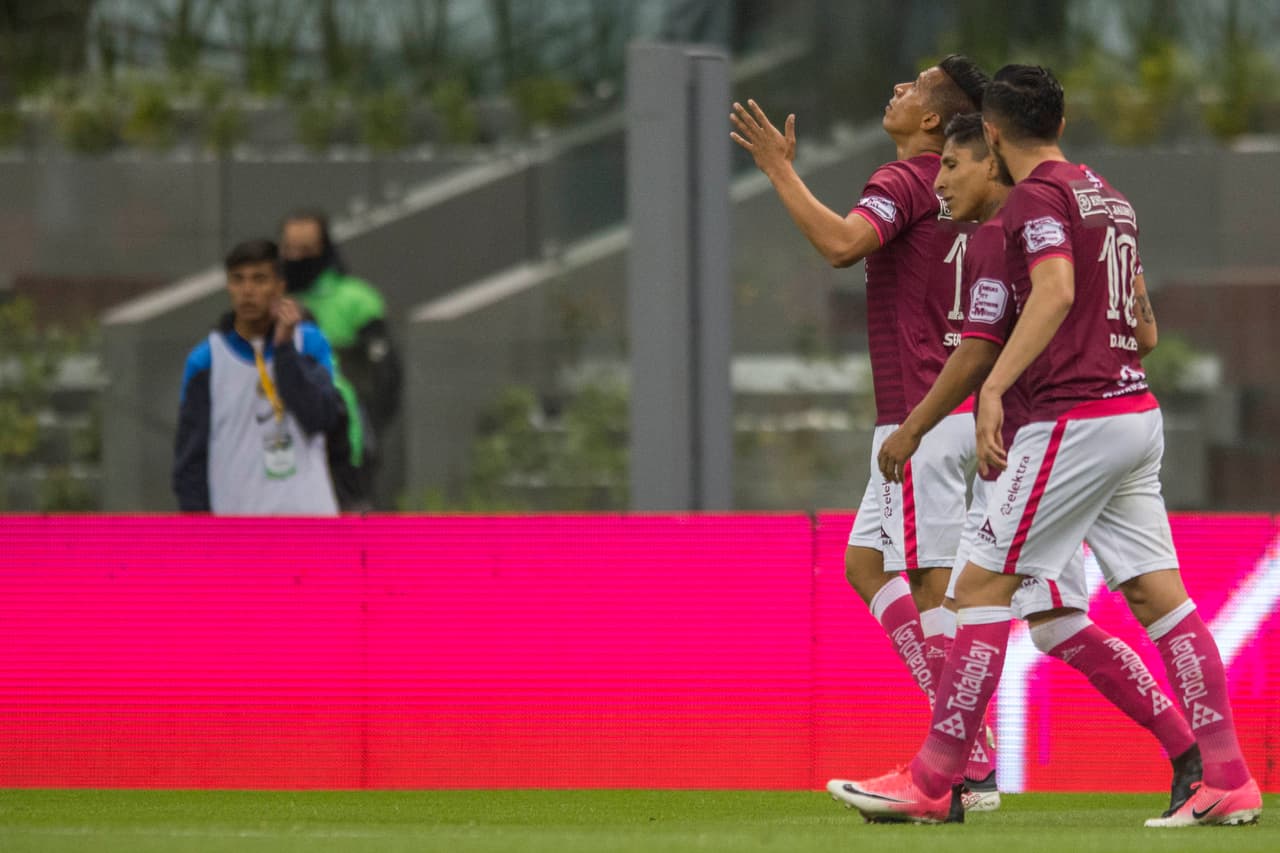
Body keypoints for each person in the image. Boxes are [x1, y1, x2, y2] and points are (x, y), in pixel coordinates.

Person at [836, 65, 1262, 828]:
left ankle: (938, 780)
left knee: (978, 590)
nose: (949, 177)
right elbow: (1146, 325)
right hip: (1135, 413)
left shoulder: (1034, 200)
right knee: (1154, 596)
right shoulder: (1106, 194)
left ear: (991, 136)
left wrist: (994, 390)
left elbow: (1056, 291)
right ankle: (1226, 774)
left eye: (964, 158)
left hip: (1074, 416)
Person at [731, 55, 1000, 804]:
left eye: (911, 86)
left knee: (928, 580)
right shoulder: (977, 194)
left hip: (918, 412)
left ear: (932, 123)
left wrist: (780, 171)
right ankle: (968, 747)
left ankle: (966, 761)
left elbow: (844, 245)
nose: (896, 89)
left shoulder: (906, 180)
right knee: (863, 564)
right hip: (947, 406)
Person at [173, 239, 342, 515]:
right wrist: (199, 537)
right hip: (239, 529)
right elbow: (190, 460)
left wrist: (285, 349)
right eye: (238, 280)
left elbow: (321, 418)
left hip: (309, 523)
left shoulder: (309, 343)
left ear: (280, 287)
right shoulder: (207, 360)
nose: (247, 291)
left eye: (259, 279)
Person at [279, 209, 402, 510]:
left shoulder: (357, 300)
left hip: (345, 437)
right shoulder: (274, 304)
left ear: (324, 249)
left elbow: (386, 373)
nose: (296, 257)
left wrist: (369, 422)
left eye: (305, 250)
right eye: (289, 249)